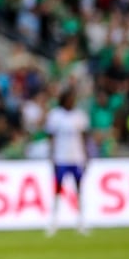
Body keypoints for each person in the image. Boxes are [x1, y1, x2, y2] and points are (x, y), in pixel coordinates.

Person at [44, 88, 90, 236]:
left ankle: (81, 221)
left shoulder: (79, 116)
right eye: (69, 99)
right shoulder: (55, 115)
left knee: (79, 189)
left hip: (77, 157)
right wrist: (51, 155)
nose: (72, 102)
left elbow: (84, 137)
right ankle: (54, 221)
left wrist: (87, 155)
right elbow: (51, 137)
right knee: (57, 190)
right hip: (61, 157)